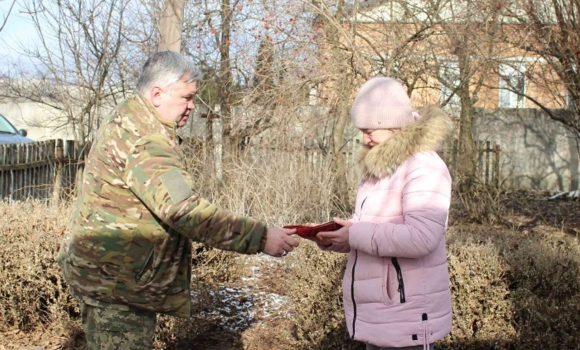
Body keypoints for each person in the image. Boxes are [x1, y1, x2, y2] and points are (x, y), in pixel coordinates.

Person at [57, 51, 298, 349]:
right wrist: (260, 237)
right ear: (157, 94)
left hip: (106, 276)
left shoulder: (130, 115)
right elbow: (183, 209)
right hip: (116, 285)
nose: (192, 106)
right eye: (186, 97)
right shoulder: (147, 140)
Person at [313, 77, 453, 350]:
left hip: (405, 312)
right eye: (362, 130)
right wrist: (340, 234)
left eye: (370, 130)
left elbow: (421, 237)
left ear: (394, 124)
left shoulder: (424, 166)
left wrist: (354, 234)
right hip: (383, 312)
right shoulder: (380, 166)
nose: (364, 138)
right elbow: (375, 230)